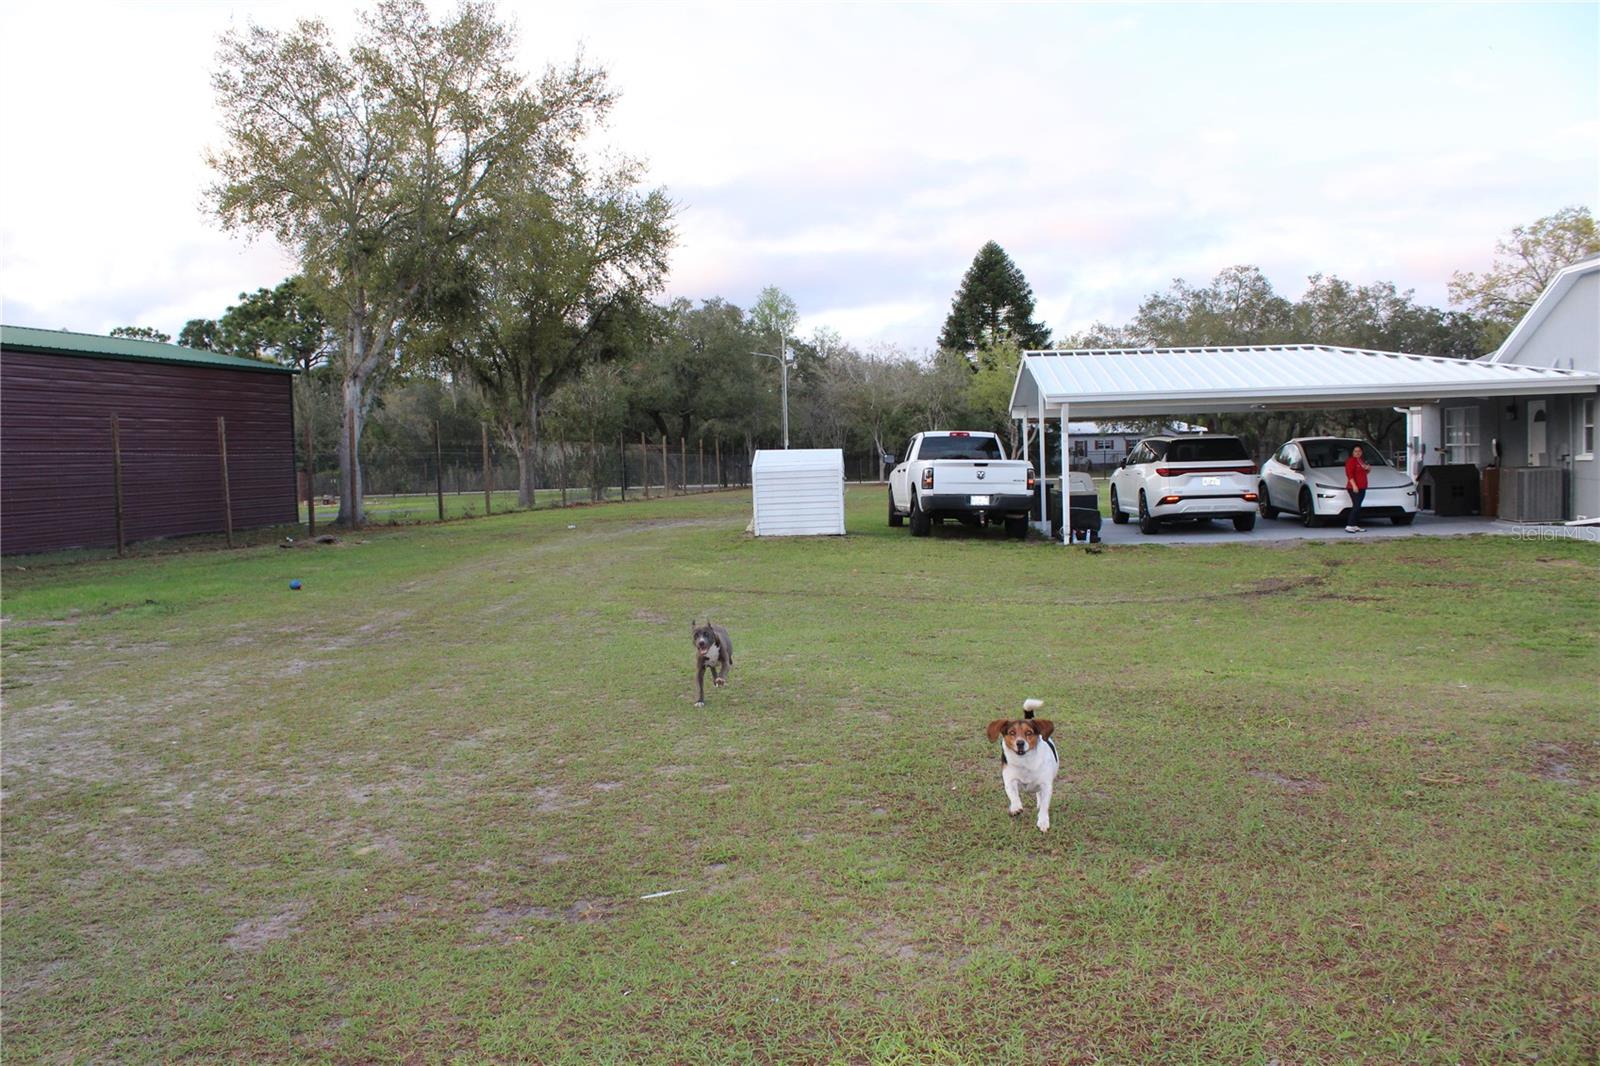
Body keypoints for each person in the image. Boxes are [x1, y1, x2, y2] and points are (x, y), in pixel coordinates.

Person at [1344, 444, 1371, 533]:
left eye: (1359, 451)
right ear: (1352, 452)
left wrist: (1368, 469)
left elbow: (1364, 473)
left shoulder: (1361, 461)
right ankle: (1349, 525)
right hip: (1354, 487)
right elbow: (1349, 474)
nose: (1357, 453)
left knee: (1358, 506)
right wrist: (1354, 485)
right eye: (1355, 451)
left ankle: (1354, 525)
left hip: (1362, 486)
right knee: (1356, 506)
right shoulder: (1351, 461)